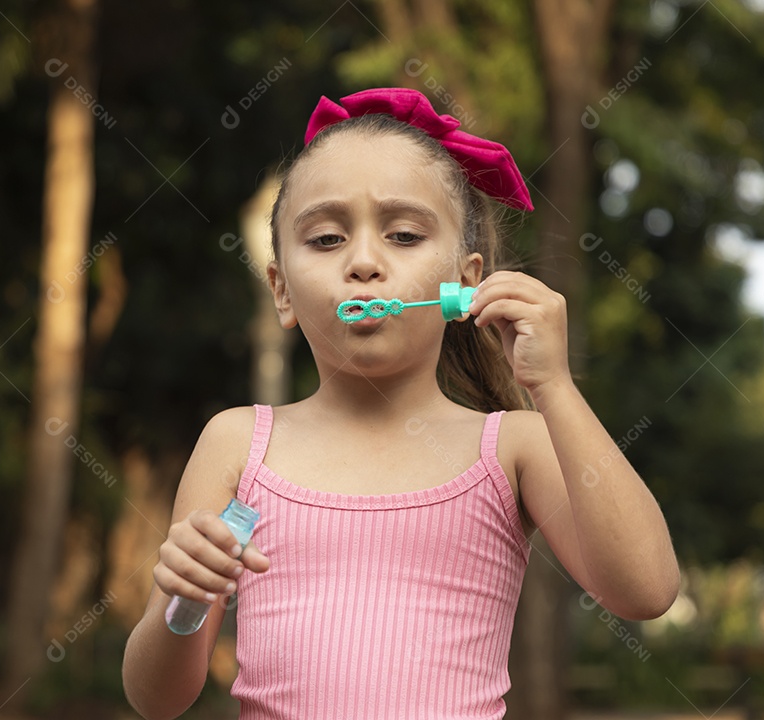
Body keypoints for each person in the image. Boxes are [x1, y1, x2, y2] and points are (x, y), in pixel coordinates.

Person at [122, 87, 680, 719]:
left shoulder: (512, 445)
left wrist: (553, 387)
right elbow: (156, 700)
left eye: (405, 234)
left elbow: (647, 589)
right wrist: (180, 604)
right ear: (281, 290)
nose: (364, 262)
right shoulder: (236, 443)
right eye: (328, 239)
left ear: (466, 285)